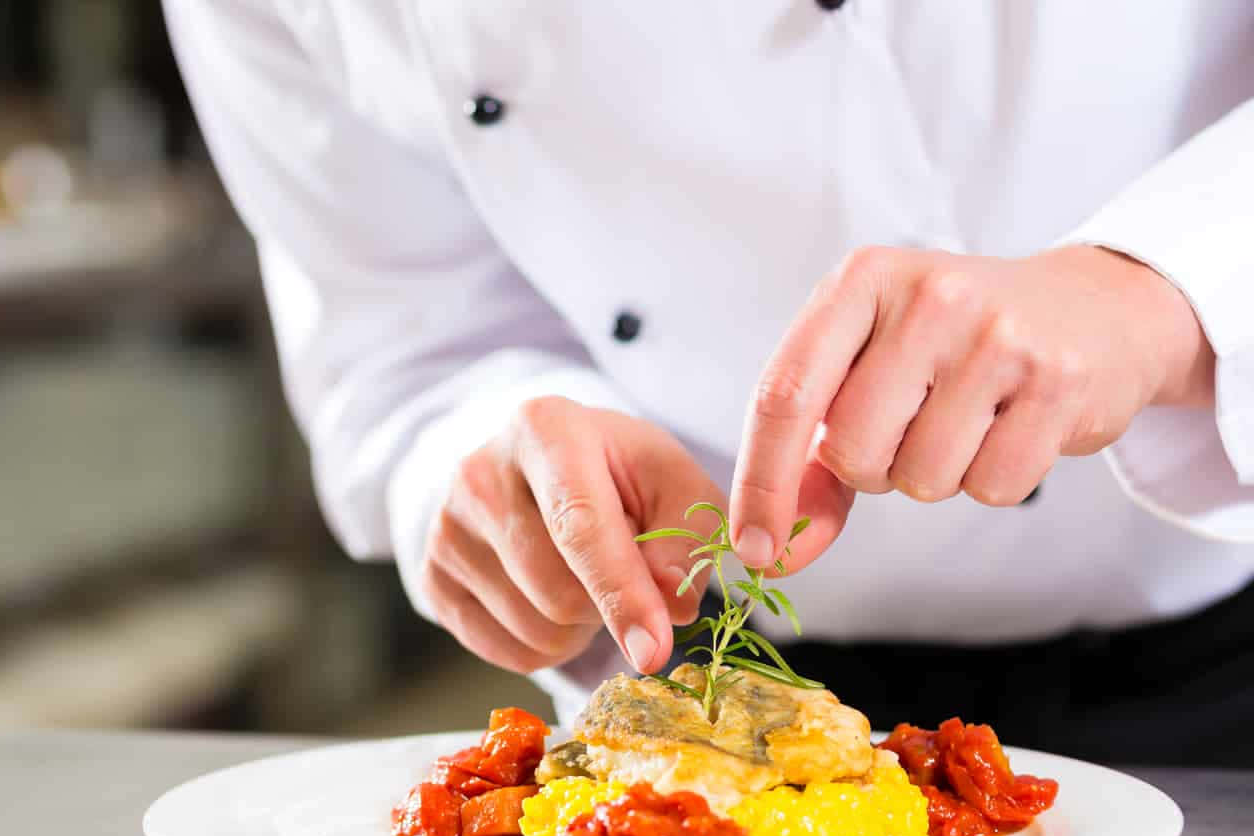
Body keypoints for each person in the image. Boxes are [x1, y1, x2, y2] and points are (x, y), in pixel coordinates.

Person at [166, 2, 1254, 766]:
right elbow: (405, 329)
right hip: (698, 704)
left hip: (1222, 663)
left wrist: (1166, 289)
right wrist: (481, 447)